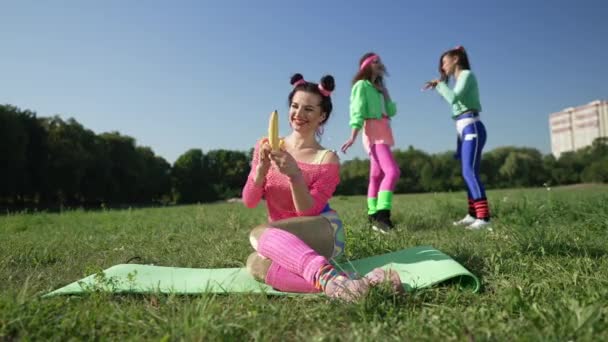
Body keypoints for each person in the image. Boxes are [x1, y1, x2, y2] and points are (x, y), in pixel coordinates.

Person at [242, 73, 403, 301]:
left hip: (322, 230)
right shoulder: (266, 145)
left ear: (322, 116)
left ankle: (326, 276)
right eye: (295, 106)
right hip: (282, 240)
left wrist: (294, 175)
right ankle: (354, 284)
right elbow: (249, 201)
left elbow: (307, 213)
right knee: (255, 263)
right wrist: (260, 169)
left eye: (308, 109)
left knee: (259, 234)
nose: (299, 114)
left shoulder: (327, 159)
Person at [423, 46, 491, 230]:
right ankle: (472, 214)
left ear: (455, 59)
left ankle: (484, 218)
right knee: (467, 173)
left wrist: (440, 85)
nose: (442, 67)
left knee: (469, 172)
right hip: (464, 129)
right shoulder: (458, 79)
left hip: (473, 127)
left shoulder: (467, 75)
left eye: (444, 62)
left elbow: (453, 99)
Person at [341, 52, 401, 233]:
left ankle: (373, 214)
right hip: (373, 131)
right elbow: (357, 110)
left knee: (376, 175)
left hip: (383, 128)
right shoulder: (361, 86)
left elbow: (391, 111)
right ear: (366, 66)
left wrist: (385, 93)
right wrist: (353, 135)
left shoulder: (378, 89)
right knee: (392, 171)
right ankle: (383, 217)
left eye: (380, 61)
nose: (379, 63)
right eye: (375, 61)